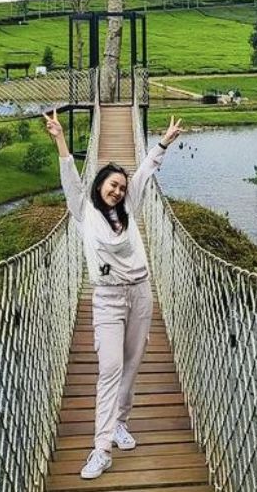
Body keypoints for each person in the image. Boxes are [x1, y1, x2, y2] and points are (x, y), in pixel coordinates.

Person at [43, 109, 183, 481]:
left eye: (121, 186)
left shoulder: (130, 206)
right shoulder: (84, 212)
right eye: (112, 184)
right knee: (109, 369)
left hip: (141, 293)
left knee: (132, 364)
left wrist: (164, 143)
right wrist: (59, 138)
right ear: (100, 184)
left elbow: (145, 172)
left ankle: (120, 423)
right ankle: (101, 448)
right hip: (106, 298)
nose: (118, 189)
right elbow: (70, 179)